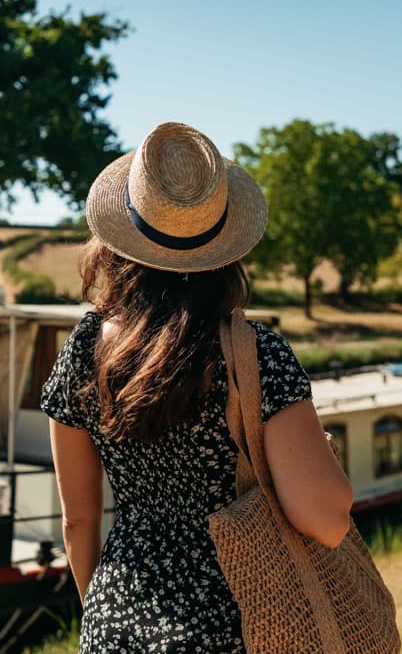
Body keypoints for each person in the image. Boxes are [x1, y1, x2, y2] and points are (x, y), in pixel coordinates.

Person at [41, 122, 353, 652]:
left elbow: (77, 520)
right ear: (226, 247)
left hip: (115, 622)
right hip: (238, 624)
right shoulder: (256, 355)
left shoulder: (85, 348)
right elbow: (325, 521)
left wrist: (106, 615)